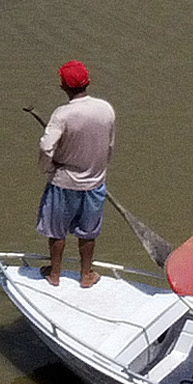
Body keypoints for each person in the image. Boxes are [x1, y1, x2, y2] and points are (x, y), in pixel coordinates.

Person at [35, 60, 116, 285]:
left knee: (57, 231)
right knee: (88, 232)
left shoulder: (62, 114)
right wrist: (99, 169)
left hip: (64, 182)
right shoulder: (106, 108)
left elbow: (45, 146)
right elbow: (109, 145)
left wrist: (47, 167)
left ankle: (55, 273)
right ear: (87, 83)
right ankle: (86, 274)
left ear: (63, 87)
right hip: (95, 182)